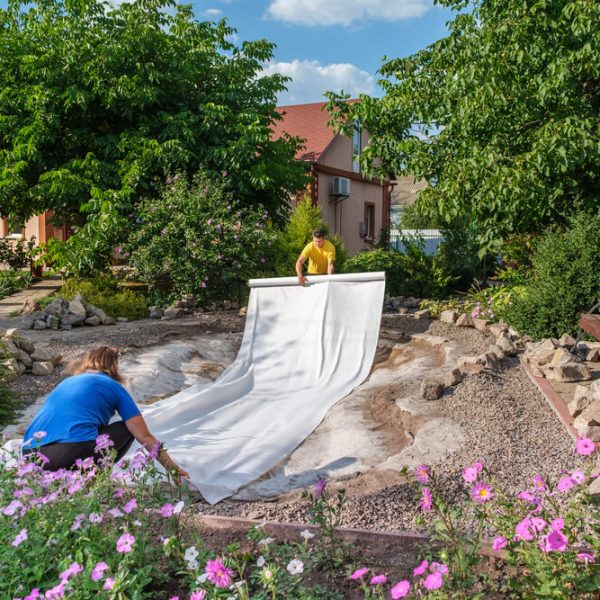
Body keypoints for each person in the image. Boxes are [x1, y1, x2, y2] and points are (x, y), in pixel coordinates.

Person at [22, 346, 189, 482]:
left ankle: (65, 481)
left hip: (31, 456)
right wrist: (173, 469)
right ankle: (94, 481)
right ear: (114, 367)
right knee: (127, 429)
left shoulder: (66, 382)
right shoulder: (112, 386)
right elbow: (144, 437)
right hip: (66, 455)